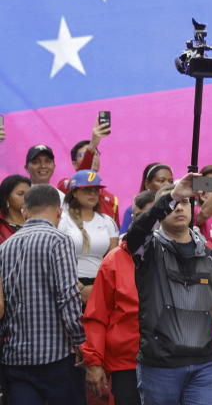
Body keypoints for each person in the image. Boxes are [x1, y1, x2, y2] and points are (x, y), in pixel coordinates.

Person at [125, 175, 212, 405]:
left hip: (205, 364)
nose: (180, 208)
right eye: (174, 204)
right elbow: (135, 233)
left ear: (193, 209)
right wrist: (172, 196)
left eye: (185, 202)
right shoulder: (147, 249)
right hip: (159, 364)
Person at [0, 185, 86, 405]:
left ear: (25, 212)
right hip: (57, 358)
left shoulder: (4, 247)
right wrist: (80, 341)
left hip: (16, 359)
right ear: (59, 213)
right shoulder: (59, 240)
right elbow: (68, 296)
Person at [82, 217, 145, 405]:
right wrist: (94, 362)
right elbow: (97, 316)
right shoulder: (114, 260)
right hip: (126, 363)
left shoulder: (169, 253)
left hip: (168, 360)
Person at [59, 170, 119, 303]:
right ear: (74, 193)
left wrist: (100, 287)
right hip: (70, 285)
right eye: (87, 190)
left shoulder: (108, 222)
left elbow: (114, 260)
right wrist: (80, 288)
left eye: (96, 190)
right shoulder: (63, 220)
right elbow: (56, 260)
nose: (93, 194)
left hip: (101, 284)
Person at [55, 121, 120, 225]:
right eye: (84, 155)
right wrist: (92, 145)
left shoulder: (112, 200)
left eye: (96, 154)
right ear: (74, 164)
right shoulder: (65, 186)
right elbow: (82, 179)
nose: (93, 157)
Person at [120, 163, 173, 233]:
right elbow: (125, 238)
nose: (167, 185)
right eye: (161, 180)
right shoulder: (132, 210)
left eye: (171, 181)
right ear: (147, 184)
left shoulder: (176, 209)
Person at [0, 174, 30, 243]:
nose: (27, 197)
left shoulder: (38, 221)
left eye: (29, 194)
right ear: (6, 197)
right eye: (20, 194)